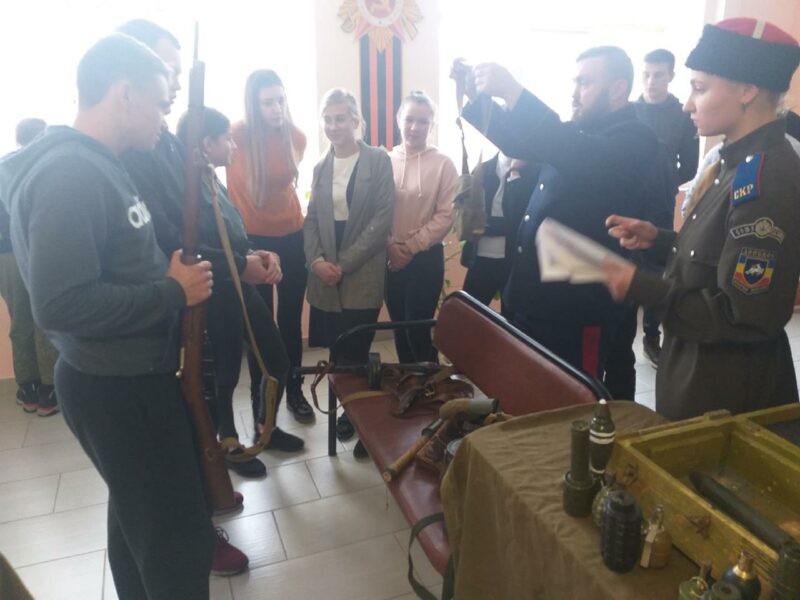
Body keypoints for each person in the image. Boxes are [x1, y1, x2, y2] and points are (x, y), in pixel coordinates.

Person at [0, 33, 215, 599]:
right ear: (124, 95)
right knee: (177, 544)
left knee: (139, 525)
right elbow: (60, 304)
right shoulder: (70, 174)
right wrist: (171, 293)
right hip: (117, 386)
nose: (164, 119)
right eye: (160, 104)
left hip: (128, 377)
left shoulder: (99, 164)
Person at [603, 18, 800, 421]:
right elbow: (714, 256)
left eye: (699, 88)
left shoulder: (766, 178)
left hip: (727, 398)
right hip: (699, 375)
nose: (688, 104)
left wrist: (638, 285)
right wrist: (661, 240)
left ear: (747, 90)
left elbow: (741, 316)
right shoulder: (734, 162)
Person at [115, 18, 251, 577]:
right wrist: (235, 264)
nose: (172, 84)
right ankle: (194, 530)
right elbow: (170, 237)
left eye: (176, 72)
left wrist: (241, 257)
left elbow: (194, 224)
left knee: (190, 416)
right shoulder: (125, 153)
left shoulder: (165, 140)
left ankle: (199, 511)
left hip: (179, 305)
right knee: (161, 450)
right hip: (150, 322)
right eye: (165, 71)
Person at [452, 47, 667, 386]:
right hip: (532, 301)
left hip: (577, 312)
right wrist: (477, 97)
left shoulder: (634, 138)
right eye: (575, 82)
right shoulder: (581, 131)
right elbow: (521, 143)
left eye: (584, 83)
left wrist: (513, 91)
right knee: (524, 392)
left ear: (617, 89)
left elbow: (574, 150)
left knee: (570, 398)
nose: (574, 93)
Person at [176, 107, 292, 478]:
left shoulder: (211, 180)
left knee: (277, 360)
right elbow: (194, 249)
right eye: (227, 139)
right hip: (217, 292)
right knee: (226, 371)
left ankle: (265, 427)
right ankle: (227, 441)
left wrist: (258, 254)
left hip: (240, 285)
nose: (233, 146)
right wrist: (242, 263)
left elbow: (232, 236)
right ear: (205, 144)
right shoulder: (186, 190)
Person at [304, 88, 394, 446]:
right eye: (327, 119)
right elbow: (311, 219)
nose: (333, 126)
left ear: (355, 120)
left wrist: (342, 264)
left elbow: (382, 219)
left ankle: (355, 415)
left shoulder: (378, 160)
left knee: (356, 349)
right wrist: (316, 262)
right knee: (336, 351)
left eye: (340, 118)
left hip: (362, 270)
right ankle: (343, 406)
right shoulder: (320, 167)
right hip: (326, 273)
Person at [226, 70, 315, 425]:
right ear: (253, 104)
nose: (277, 108)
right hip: (252, 243)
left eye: (281, 100)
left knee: (290, 320)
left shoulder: (296, 136)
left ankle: (294, 390)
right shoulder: (235, 136)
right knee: (258, 325)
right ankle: (261, 397)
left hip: (292, 236)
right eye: (268, 102)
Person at [633, 48, 699, 366]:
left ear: (671, 76)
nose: (651, 81)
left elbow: (690, 166)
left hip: (659, 205)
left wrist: (666, 181)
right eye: (646, 74)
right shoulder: (628, 111)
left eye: (658, 75)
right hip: (625, 200)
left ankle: (651, 336)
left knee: (654, 271)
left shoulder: (683, 114)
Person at [386, 91, 457, 363]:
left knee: (417, 329)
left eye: (423, 121)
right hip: (390, 257)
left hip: (425, 258)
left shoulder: (443, 164)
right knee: (399, 328)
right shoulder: (385, 161)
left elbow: (446, 215)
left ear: (432, 125)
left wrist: (410, 248)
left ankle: (430, 383)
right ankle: (407, 381)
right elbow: (377, 212)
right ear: (399, 120)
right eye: (409, 119)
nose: (415, 127)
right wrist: (390, 246)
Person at [0, 118, 59, 416]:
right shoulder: (45, 165)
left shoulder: (3, 166)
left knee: (19, 320)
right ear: (43, 136)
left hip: (4, 255)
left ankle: (27, 387)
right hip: (37, 250)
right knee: (43, 318)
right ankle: (50, 389)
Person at [460, 152, 538, 314]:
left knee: (511, 319)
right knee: (468, 315)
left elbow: (523, 222)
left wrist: (515, 176)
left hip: (513, 262)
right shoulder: (483, 169)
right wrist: (502, 226)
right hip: (480, 259)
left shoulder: (534, 172)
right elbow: (471, 219)